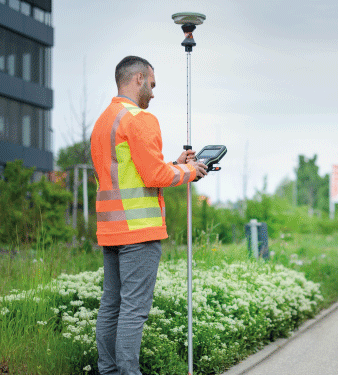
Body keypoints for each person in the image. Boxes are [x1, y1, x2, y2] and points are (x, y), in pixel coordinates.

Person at [91, 55, 208, 374]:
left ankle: (109, 371)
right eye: (152, 85)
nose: (153, 93)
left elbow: (132, 172)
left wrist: (174, 163)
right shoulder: (140, 118)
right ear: (138, 78)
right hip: (139, 231)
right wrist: (190, 171)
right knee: (133, 310)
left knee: (111, 306)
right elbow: (155, 177)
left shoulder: (104, 121)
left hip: (111, 231)